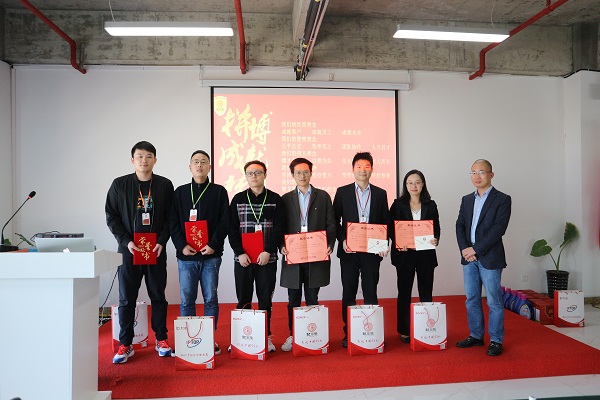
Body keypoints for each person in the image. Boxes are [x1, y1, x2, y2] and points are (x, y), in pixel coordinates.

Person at [105, 141, 174, 363]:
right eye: (140, 156)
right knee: (127, 298)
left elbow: (171, 218)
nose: (144, 160)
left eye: (149, 156)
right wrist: (126, 241)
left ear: (155, 159)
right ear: (132, 160)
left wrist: (162, 241)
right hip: (129, 251)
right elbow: (111, 216)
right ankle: (125, 343)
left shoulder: (164, 185)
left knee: (158, 296)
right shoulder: (120, 184)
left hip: (155, 249)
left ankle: (161, 339)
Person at [170, 150, 229, 355]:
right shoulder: (180, 192)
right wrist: (181, 246)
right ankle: (188, 340)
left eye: (204, 162)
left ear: (209, 167)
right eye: (196, 162)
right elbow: (173, 222)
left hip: (211, 255)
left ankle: (208, 339)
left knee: (210, 298)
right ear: (190, 167)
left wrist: (213, 244)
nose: (199, 165)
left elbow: (225, 221)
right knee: (187, 299)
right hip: (186, 256)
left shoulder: (219, 192)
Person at [279, 158, 336, 352]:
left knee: (312, 297)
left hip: (315, 256)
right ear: (292, 175)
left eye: (305, 172)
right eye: (298, 172)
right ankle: (294, 335)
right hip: (293, 256)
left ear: (311, 173)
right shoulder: (285, 199)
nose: (302, 176)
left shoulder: (323, 196)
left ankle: (313, 336)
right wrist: (281, 245)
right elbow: (280, 227)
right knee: (293, 300)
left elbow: (331, 224)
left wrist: (330, 244)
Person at [333, 152, 390, 348]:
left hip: (372, 252)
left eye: (366, 166)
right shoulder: (342, 192)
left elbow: (385, 222)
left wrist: (384, 244)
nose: (362, 170)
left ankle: (371, 332)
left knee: (370, 291)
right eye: (359, 166)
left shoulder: (381, 193)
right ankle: (349, 332)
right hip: (349, 251)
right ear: (353, 169)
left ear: (372, 169)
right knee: (348, 292)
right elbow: (335, 220)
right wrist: (342, 240)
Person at [455, 159, 511, 357]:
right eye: (473, 173)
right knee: (471, 299)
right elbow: (460, 225)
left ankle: (496, 340)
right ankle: (476, 335)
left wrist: (475, 250)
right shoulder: (466, 199)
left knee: (494, 301)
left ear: (491, 175)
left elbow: (498, 230)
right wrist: (465, 249)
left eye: (481, 172)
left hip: (490, 258)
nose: (477, 176)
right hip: (468, 258)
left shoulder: (502, 199)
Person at [228, 160, 285, 352]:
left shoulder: (276, 199)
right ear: (246, 176)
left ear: (265, 175)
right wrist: (239, 252)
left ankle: (265, 337)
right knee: (243, 298)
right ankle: (241, 339)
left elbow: (279, 228)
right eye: (250, 173)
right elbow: (232, 229)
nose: (254, 176)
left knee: (265, 300)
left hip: (267, 258)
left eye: (258, 173)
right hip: (243, 259)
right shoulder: (238, 199)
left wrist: (268, 250)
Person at [389, 170, 440, 343]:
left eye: (417, 182)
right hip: (405, 255)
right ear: (405, 185)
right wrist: (398, 242)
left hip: (425, 255)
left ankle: (427, 327)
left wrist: (436, 239)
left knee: (426, 292)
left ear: (423, 184)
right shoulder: (397, 204)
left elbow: (436, 227)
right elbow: (391, 228)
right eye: (410, 182)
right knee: (404, 292)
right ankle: (404, 330)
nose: (414, 186)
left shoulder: (431, 205)